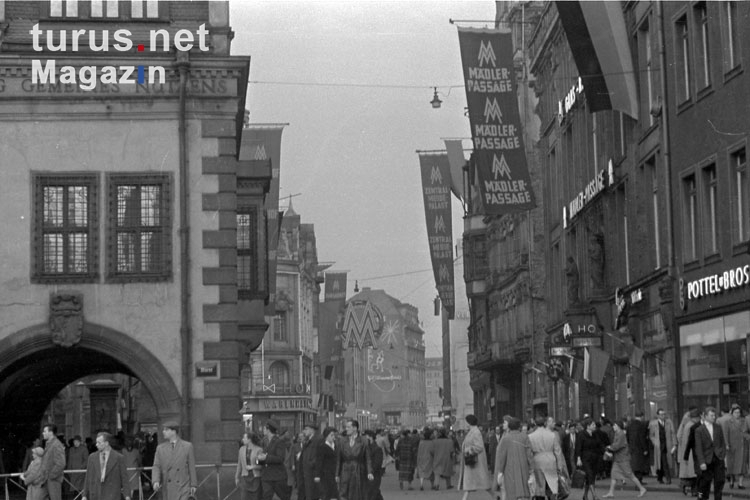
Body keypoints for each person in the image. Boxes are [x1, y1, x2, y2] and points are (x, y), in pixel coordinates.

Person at [152, 421, 197, 500]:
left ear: (173, 431)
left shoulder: (187, 446)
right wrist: (156, 480)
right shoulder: (160, 448)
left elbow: (191, 467)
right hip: (167, 487)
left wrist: (193, 484)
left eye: (166, 430)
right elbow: (156, 466)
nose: (163, 432)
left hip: (183, 487)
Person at [602, 420, 646, 498]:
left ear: (618, 426)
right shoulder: (618, 433)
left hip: (623, 458)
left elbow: (617, 446)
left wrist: (609, 447)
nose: (613, 427)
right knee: (613, 475)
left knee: (630, 475)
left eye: (615, 425)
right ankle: (611, 492)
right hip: (618, 458)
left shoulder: (621, 434)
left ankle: (642, 488)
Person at [81, 432, 131, 500]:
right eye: (96, 442)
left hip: (113, 495)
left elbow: (124, 479)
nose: (96, 445)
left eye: (99, 442)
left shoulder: (119, 458)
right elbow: (88, 477)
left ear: (106, 443)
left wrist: (127, 496)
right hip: (96, 495)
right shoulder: (92, 457)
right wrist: (84, 495)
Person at [494, 417, 533, 500]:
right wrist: (531, 470)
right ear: (519, 427)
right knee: (523, 489)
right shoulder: (524, 437)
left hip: (509, 469)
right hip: (523, 467)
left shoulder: (505, 438)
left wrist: (500, 471)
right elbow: (529, 455)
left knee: (511, 491)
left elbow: (502, 457)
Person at [528, 416, 565, 500]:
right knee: (551, 484)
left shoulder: (531, 436)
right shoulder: (552, 435)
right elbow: (558, 451)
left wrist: (530, 468)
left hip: (537, 460)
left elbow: (529, 453)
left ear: (535, 424)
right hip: (550, 460)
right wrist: (560, 465)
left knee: (539, 486)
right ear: (544, 423)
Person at [694, 407, 726, 500]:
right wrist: (701, 462)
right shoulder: (699, 430)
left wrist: (722, 454)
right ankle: (701, 498)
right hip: (706, 460)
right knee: (704, 484)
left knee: (720, 481)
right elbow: (698, 448)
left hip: (718, 458)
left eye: (714, 415)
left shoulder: (718, 427)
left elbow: (722, 442)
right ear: (705, 416)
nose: (714, 417)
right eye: (711, 415)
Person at [458, 414, 493, 500]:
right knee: (474, 483)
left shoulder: (476, 432)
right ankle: (494, 496)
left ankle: (494, 495)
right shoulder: (472, 432)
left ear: (469, 422)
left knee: (474, 483)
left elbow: (479, 446)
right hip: (473, 461)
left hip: (475, 461)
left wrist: (468, 450)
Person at [336, 419, 372, 500]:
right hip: (345, 470)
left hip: (358, 470)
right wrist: (337, 474)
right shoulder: (341, 441)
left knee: (357, 494)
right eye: (346, 427)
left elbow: (368, 458)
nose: (346, 429)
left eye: (348, 427)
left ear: (355, 428)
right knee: (343, 493)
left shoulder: (364, 440)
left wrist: (369, 472)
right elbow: (339, 459)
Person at [257, 419, 290, 500]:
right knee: (266, 497)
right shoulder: (263, 442)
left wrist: (266, 457)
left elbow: (280, 458)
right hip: (266, 476)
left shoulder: (279, 442)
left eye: (264, 428)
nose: (263, 430)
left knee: (284, 497)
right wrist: (258, 460)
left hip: (277, 476)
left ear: (268, 429)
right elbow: (261, 458)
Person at [576, 418, 604, 500]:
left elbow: (600, 444)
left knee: (590, 478)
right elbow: (578, 447)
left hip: (594, 459)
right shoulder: (581, 435)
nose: (595, 426)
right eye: (593, 425)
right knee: (590, 475)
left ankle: (585, 496)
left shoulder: (595, 434)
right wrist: (578, 458)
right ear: (588, 426)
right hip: (585, 459)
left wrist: (605, 451)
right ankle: (594, 496)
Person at [648, 409, 676, 485]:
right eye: (661, 414)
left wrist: (674, 444)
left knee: (664, 461)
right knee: (662, 462)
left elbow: (673, 433)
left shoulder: (669, 422)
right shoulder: (653, 424)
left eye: (664, 414)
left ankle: (663, 478)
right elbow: (651, 435)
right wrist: (655, 443)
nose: (663, 416)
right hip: (659, 446)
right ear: (657, 415)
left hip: (667, 445)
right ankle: (665, 478)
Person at [678, 408, 700, 497]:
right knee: (694, 474)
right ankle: (693, 490)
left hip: (688, 452)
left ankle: (688, 488)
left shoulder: (687, 425)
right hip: (691, 453)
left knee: (691, 474)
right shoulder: (692, 426)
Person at [235, 431, 264, 500]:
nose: (242, 439)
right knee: (244, 497)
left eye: (244, 438)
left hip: (255, 478)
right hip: (245, 478)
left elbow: (261, 466)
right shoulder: (241, 450)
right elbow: (239, 464)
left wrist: (252, 467)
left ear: (249, 439)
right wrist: (236, 477)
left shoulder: (259, 450)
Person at [41, 424, 66, 500]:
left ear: (51, 432)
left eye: (45, 431)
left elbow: (61, 463)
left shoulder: (56, 445)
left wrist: (51, 476)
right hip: (48, 480)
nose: (43, 433)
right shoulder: (50, 444)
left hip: (53, 480)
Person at [725, 405, 747, 489]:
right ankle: (731, 480)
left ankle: (740, 483)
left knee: (742, 465)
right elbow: (726, 434)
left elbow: (746, 432)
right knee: (732, 465)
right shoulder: (728, 422)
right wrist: (726, 444)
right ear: (732, 413)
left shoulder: (743, 421)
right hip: (732, 446)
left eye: (738, 412)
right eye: (735, 412)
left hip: (742, 446)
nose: (737, 414)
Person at [299, 422, 322, 500]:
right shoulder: (308, 440)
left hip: (313, 473)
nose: (304, 431)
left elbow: (319, 456)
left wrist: (310, 464)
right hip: (306, 473)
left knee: (313, 495)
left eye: (306, 429)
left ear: (312, 430)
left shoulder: (318, 440)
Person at [627, 412, 650, 484]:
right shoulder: (641, 425)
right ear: (642, 416)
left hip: (632, 447)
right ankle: (639, 480)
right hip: (639, 448)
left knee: (634, 464)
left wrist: (630, 445)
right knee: (640, 465)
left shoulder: (630, 425)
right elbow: (642, 438)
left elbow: (627, 437)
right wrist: (645, 448)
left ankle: (636, 479)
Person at [317, 428, 338, 500]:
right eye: (331, 435)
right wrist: (318, 475)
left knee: (334, 494)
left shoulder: (336, 446)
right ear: (326, 436)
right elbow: (319, 462)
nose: (333, 437)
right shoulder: (322, 447)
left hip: (334, 473)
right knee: (327, 494)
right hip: (325, 474)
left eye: (334, 435)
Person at [363, 430, 383, 500]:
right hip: (367, 476)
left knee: (372, 494)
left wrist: (369, 471)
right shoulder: (365, 448)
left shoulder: (377, 449)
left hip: (374, 476)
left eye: (365, 437)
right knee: (374, 494)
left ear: (370, 437)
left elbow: (377, 464)